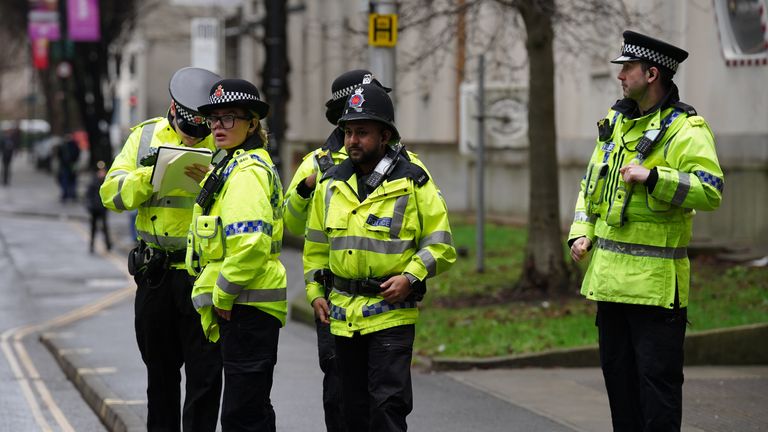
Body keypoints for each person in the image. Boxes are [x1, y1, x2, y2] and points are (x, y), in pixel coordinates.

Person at [568, 30, 724, 431]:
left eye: (628, 69)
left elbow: (710, 190)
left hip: (655, 293)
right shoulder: (616, 124)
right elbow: (590, 187)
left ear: (652, 73)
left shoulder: (686, 129)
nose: (621, 77)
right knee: (621, 393)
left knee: (657, 395)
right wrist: (580, 232)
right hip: (609, 284)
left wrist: (655, 177)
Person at [303, 83, 456, 432]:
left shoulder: (413, 181)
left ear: (385, 135)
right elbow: (315, 248)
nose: (352, 141)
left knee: (387, 410)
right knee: (350, 411)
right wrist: (314, 294)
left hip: (390, 317)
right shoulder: (330, 184)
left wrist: (411, 277)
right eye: (348, 132)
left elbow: (441, 245)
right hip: (342, 317)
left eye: (362, 133)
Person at [100, 67, 223, 432]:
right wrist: (148, 176)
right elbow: (111, 193)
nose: (193, 139)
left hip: (202, 275)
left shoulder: (219, 141)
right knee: (161, 375)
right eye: (188, 131)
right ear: (174, 108)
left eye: (199, 132)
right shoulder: (145, 137)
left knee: (205, 378)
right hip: (156, 275)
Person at [283, 69, 391, 432]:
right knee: (340, 393)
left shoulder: (400, 164)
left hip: (384, 305)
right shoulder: (317, 163)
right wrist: (306, 188)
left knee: (384, 399)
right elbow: (292, 224)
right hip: (334, 301)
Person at [188, 78, 286, 431]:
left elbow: (250, 244)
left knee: (242, 416)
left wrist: (224, 294)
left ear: (252, 123)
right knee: (249, 409)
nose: (218, 124)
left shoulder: (246, 173)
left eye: (229, 117)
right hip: (243, 308)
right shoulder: (232, 165)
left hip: (245, 307)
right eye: (214, 117)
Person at [85, 160, 112, 253]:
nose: (101, 173)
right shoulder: (93, 182)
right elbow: (88, 196)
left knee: (104, 227)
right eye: (100, 172)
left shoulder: (106, 182)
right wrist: (89, 206)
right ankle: (92, 245)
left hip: (102, 209)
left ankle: (108, 244)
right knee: (93, 228)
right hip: (94, 209)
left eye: (103, 171)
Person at [57, 134, 80, 202]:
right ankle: (71, 194)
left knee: (67, 180)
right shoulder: (73, 145)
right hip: (70, 166)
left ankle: (67, 194)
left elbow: (59, 155)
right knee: (71, 181)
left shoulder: (64, 145)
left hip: (66, 166)